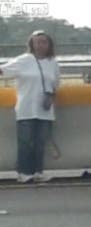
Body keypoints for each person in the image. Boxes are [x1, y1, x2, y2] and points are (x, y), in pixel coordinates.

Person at [0, 30, 60, 183]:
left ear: (49, 45)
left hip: (45, 109)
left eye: (44, 42)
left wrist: (51, 97)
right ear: (32, 44)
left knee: (41, 142)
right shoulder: (24, 60)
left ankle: (38, 171)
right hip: (26, 107)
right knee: (25, 142)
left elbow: (56, 84)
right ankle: (24, 172)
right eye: (37, 42)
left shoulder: (53, 63)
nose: (41, 45)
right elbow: (4, 71)